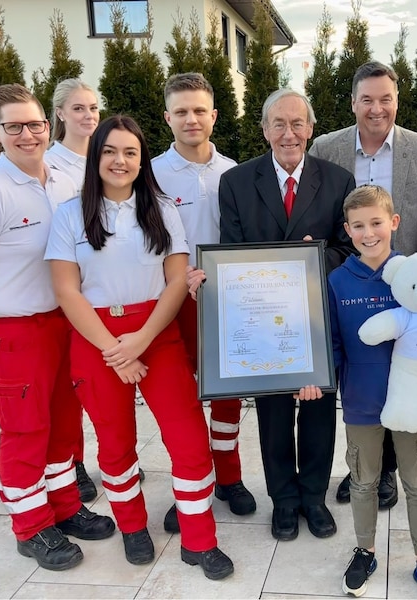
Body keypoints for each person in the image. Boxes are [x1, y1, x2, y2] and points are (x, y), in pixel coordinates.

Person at [45, 115, 234, 580]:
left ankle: (199, 539)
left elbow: (175, 281)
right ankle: (133, 527)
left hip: (157, 332)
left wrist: (142, 340)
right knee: (115, 442)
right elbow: (67, 291)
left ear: (141, 159)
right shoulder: (70, 213)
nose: (120, 160)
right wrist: (115, 349)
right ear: (96, 157)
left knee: (188, 437)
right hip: (97, 339)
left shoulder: (162, 209)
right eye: (110, 151)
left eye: (130, 152)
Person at [0, 83, 115, 572]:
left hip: (64, 322)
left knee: (63, 423)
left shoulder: (63, 180)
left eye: (34, 124)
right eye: (13, 126)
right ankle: (31, 525)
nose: (27, 134)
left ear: (48, 125)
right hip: (16, 330)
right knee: (24, 430)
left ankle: (63, 507)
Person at [218, 88, 356, 541]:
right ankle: (284, 500)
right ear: (264, 130)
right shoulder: (237, 182)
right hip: (262, 322)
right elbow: (232, 254)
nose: (289, 133)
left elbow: (347, 247)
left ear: (311, 130)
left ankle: (314, 498)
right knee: (273, 412)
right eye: (279, 123)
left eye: (298, 124)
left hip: (316, 320)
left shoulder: (338, 181)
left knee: (317, 412)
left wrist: (312, 258)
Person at [309, 60, 417, 509]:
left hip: (401, 289)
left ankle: (387, 473)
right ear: (353, 103)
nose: (377, 108)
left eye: (386, 98)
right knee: (359, 378)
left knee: (399, 375)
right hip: (347, 284)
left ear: (397, 101)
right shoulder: (326, 149)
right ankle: (362, 467)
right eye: (367, 99)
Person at [314, 184, 417, 599]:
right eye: (358, 225)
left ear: (394, 222)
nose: (368, 232)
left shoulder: (415, 274)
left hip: (412, 402)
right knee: (363, 481)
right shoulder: (337, 281)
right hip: (361, 401)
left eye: (376, 222)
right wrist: (317, 377)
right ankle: (366, 550)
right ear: (347, 230)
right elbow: (331, 342)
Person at [152, 72, 256, 531]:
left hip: (224, 301)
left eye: (199, 110)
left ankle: (229, 477)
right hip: (173, 301)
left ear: (214, 115)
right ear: (168, 117)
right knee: (182, 399)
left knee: (227, 396)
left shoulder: (235, 171)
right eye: (181, 111)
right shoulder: (149, 173)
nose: (191, 119)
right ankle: (193, 482)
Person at [44, 78, 101, 503]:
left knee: (97, 385)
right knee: (68, 389)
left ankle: (115, 460)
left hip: (103, 290)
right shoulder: (48, 165)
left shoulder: (108, 159)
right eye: (78, 108)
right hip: (65, 291)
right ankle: (73, 462)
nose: (88, 116)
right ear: (60, 113)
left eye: (93, 107)